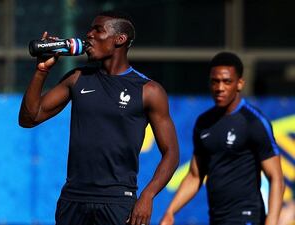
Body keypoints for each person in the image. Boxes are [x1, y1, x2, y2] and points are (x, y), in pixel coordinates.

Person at [18, 11, 179, 225]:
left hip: (117, 202)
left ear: (119, 39)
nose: (89, 35)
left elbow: (172, 153)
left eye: (98, 30)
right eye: (90, 29)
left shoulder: (148, 90)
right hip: (73, 199)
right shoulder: (77, 78)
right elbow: (29, 118)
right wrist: (41, 71)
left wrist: (147, 196)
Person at [159, 52, 284, 225]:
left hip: (247, 217)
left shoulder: (253, 122)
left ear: (240, 83)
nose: (220, 88)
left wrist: (272, 221)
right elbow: (195, 176)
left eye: (227, 82)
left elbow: (276, 177)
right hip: (217, 218)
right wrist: (170, 212)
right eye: (215, 81)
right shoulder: (204, 123)